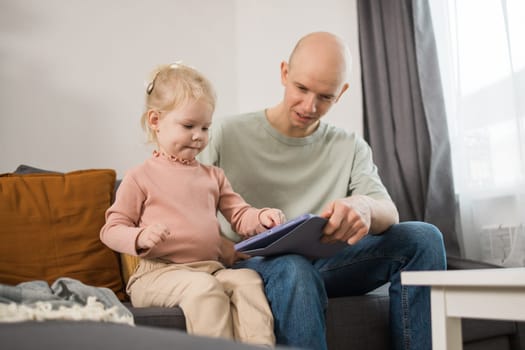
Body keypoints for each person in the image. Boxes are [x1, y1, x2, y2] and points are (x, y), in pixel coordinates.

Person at [199, 32, 447, 350]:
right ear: (284, 73)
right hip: (251, 264)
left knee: (424, 238)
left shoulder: (350, 146)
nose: (309, 106)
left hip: (327, 264)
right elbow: (184, 207)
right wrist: (223, 247)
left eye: (325, 97)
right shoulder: (224, 133)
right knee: (293, 267)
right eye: (301, 88)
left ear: (341, 93)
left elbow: (389, 211)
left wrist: (364, 208)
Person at [100, 63, 285, 346]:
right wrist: (139, 237)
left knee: (248, 281)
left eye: (205, 127)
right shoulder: (140, 177)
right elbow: (111, 229)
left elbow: (240, 214)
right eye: (188, 126)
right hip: (157, 273)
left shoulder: (213, 176)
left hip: (209, 268)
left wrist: (261, 217)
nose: (199, 135)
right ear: (155, 120)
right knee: (205, 289)